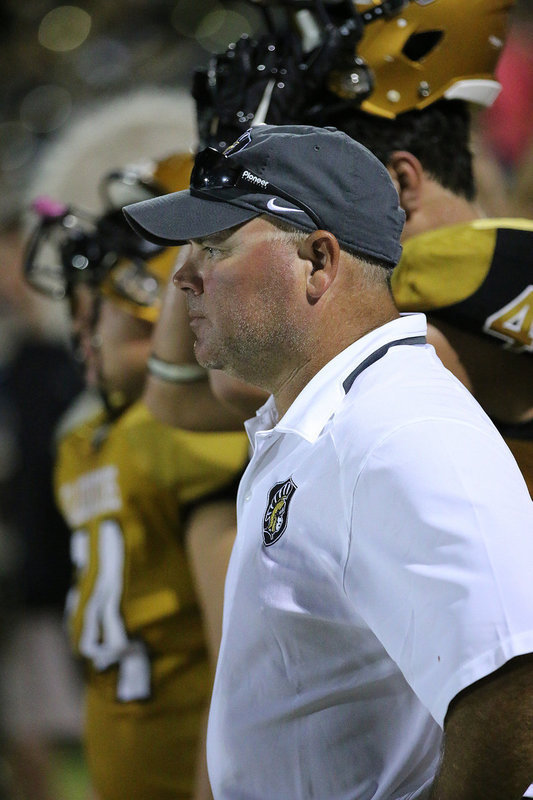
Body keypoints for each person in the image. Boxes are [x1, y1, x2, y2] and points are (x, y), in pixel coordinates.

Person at [124, 123, 533, 799]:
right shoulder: (331, 419)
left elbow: (514, 681)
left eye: (217, 246)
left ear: (317, 260)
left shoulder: (397, 427)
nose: (184, 277)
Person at [189, 0, 533, 495]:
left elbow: (224, 385)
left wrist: (232, 162)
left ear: (398, 183)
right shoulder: (496, 262)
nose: (300, 216)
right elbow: (181, 401)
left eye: (316, 188)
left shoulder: (446, 276)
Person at [25, 153, 250, 800]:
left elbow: (234, 649)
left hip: (191, 765)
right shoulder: (84, 438)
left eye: (100, 312)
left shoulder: (179, 434)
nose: (81, 335)